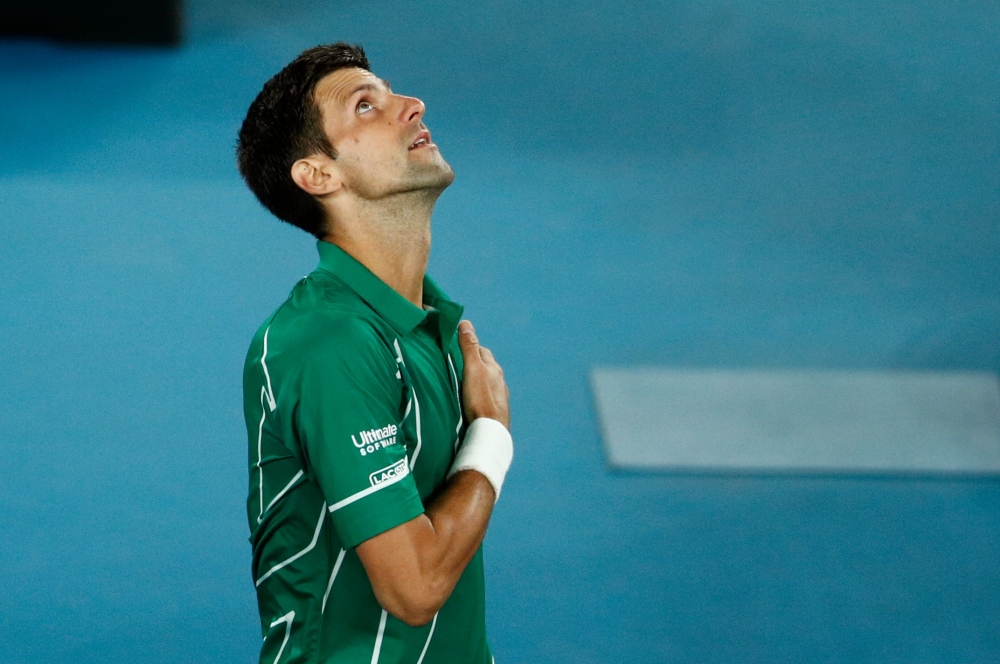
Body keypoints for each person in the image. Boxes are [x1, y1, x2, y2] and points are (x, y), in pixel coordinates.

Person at [236, 43, 513, 663]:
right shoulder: (330, 345)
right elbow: (414, 588)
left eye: (395, 95)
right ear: (318, 175)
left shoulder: (423, 319)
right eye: (367, 106)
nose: (412, 107)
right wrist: (491, 434)